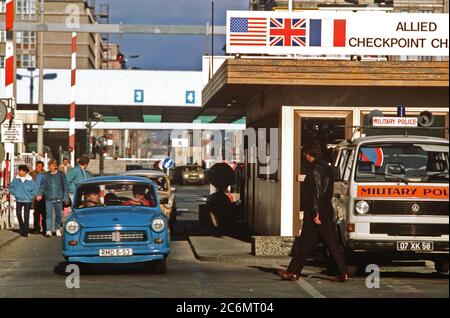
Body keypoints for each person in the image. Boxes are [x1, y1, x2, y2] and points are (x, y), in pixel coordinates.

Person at [277, 140, 349, 283]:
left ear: (310, 154)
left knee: (304, 243)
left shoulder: (314, 169)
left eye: (306, 154)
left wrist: (315, 213)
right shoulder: (327, 167)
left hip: (316, 212)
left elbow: (316, 192)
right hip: (327, 209)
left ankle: (293, 272)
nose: (305, 156)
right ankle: (343, 272)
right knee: (332, 243)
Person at [36, 159, 69, 238]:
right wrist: (39, 194)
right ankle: (48, 230)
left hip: (58, 198)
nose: (50, 167)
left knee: (58, 215)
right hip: (48, 198)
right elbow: (42, 186)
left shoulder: (61, 175)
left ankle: (57, 229)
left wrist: (65, 196)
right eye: (49, 166)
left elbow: (65, 186)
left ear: (56, 166)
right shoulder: (46, 175)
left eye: (52, 166)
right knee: (48, 215)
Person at [8, 165, 37, 237]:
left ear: (25, 172)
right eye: (19, 170)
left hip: (27, 200)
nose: (19, 172)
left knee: (26, 216)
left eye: (20, 171)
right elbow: (11, 188)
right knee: (18, 214)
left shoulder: (30, 180)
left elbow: (35, 190)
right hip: (18, 199)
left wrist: (30, 196)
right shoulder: (15, 179)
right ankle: (22, 226)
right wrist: (16, 193)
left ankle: (25, 231)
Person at [30, 161, 46, 234]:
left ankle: (45, 228)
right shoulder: (32, 174)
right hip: (35, 197)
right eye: (37, 166)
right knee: (36, 213)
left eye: (39, 166)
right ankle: (36, 229)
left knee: (44, 214)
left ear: (42, 167)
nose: (37, 168)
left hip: (43, 196)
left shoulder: (46, 174)